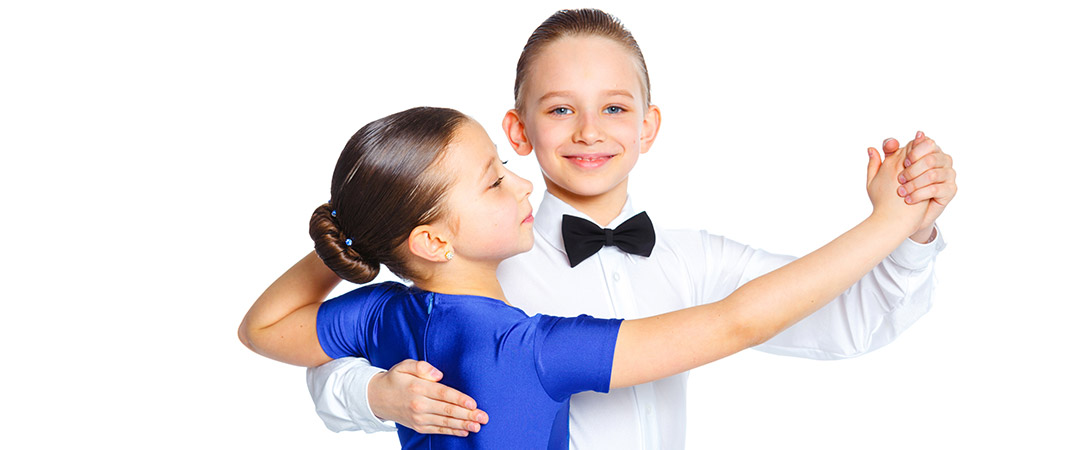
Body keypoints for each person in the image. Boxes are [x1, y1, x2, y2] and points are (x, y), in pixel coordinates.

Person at [300, 9, 957, 449]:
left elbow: (850, 322)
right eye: (561, 109)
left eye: (615, 107)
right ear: (519, 130)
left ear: (648, 125)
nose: (590, 131)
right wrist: (379, 395)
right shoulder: (478, 268)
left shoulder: (700, 258)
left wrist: (911, 229)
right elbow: (328, 374)